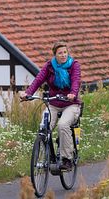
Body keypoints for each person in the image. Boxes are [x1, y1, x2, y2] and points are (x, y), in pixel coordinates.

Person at [23, 41, 81, 171]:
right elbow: (38, 80)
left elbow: (76, 81)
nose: (63, 55)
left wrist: (73, 93)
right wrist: (28, 93)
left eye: (65, 52)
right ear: (55, 55)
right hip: (53, 103)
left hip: (71, 104)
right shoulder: (49, 66)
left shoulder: (74, 66)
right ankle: (50, 156)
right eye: (60, 53)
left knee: (63, 125)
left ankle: (67, 159)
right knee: (44, 127)